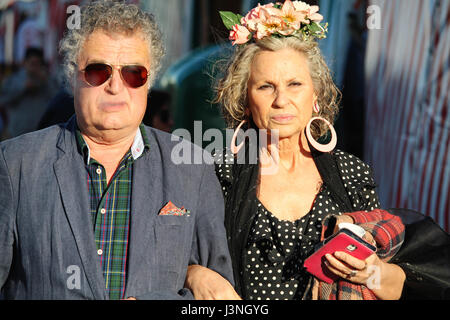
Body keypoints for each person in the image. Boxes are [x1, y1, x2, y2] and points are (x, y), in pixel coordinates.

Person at [0, 0, 233, 300]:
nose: (115, 86)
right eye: (98, 71)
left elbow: (219, 297)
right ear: (72, 76)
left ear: (149, 82)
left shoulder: (192, 168)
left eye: (134, 73)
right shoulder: (16, 164)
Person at [185, 1, 406, 300]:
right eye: (265, 87)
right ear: (245, 99)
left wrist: (368, 272)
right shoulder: (217, 174)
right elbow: (173, 258)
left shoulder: (351, 174)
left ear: (315, 94)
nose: (281, 100)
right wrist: (195, 275)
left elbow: (396, 286)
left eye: (295, 84)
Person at [0, 47, 57, 138]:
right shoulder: (14, 79)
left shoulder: (48, 80)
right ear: (24, 63)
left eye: (38, 64)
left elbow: (58, 100)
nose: (34, 68)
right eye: (32, 64)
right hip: (17, 134)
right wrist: (22, 88)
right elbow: (3, 100)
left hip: (41, 135)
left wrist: (46, 81)